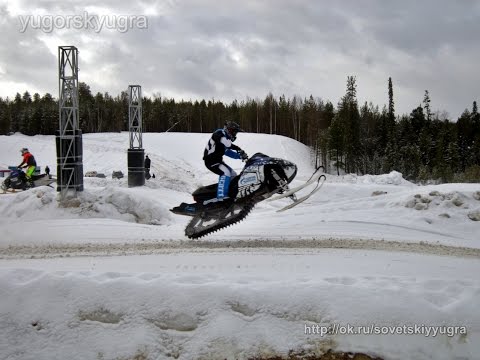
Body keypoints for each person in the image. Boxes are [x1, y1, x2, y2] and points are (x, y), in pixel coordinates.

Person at [203, 121, 248, 201]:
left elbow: (228, 152)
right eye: (234, 132)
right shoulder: (219, 133)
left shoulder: (223, 139)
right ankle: (221, 197)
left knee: (233, 174)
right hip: (210, 161)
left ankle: (231, 193)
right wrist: (238, 148)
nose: (235, 135)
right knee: (225, 173)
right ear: (229, 130)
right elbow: (228, 144)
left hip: (217, 161)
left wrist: (240, 156)